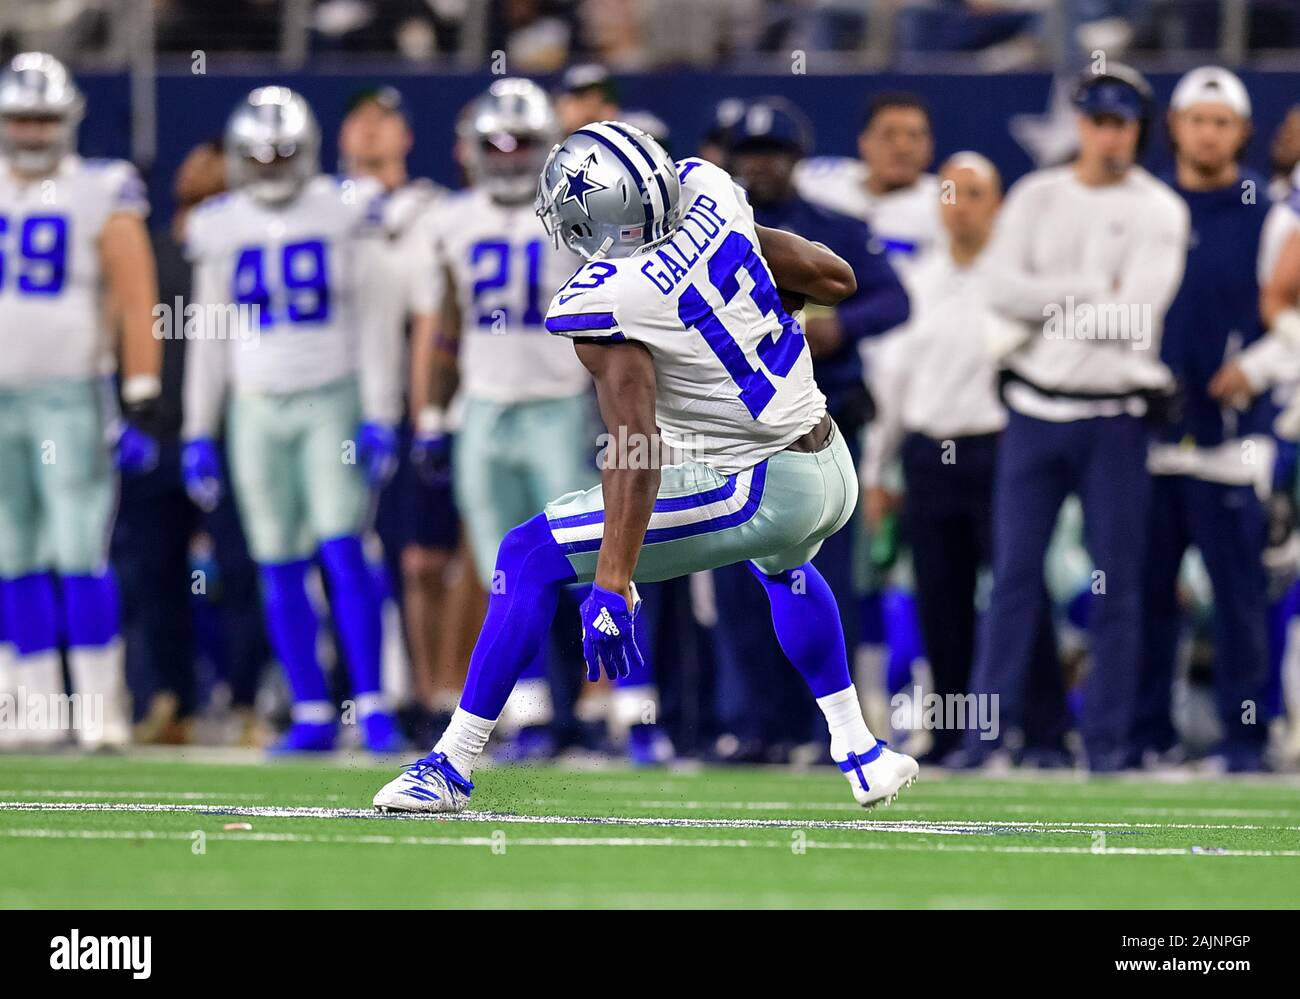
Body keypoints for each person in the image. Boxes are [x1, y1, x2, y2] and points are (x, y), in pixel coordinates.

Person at [373, 120, 919, 812]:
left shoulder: (606, 300)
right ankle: (860, 750)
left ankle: (449, 765)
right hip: (829, 460)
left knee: (528, 552)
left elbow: (635, 446)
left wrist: (611, 581)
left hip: (760, 480)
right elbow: (833, 277)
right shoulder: (711, 191)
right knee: (784, 567)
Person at [966, 65, 1189, 773]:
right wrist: (1089, 291)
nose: (1108, 133)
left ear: (1138, 129)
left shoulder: (1160, 209)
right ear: (1082, 123)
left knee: (1117, 585)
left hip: (1116, 419)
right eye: (1097, 118)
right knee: (1012, 580)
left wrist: (1048, 305)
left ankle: (1107, 743)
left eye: (1122, 121)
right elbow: (997, 287)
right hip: (1035, 410)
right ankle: (987, 738)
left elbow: (1137, 316)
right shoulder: (1036, 196)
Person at [181, 87, 404, 753]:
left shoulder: (343, 209)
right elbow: (209, 335)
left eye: (284, 152)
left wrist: (381, 410)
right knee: (276, 560)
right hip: (254, 406)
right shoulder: (219, 224)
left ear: (306, 151)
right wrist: (198, 426)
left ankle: (372, 704)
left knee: (343, 549)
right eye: (260, 154)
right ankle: (311, 707)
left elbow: (374, 320)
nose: (274, 164)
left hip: (329, 397)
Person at [715, 97, 909, 758]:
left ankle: (822, 724)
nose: (761, 166)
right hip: (731, 429)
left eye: (773, 154)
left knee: (819, 579)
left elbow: (893, 296)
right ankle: (754, 723)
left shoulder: (833, 228)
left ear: (795, 160)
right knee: (737, 584)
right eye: (750, 155)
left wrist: (838, 327)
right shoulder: (708, 232)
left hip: (821, 424)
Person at [864, 152, 1070, 766]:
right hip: (929, 456)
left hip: (1003, 448)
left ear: (998, 204)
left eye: (976, 193)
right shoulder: (918, 282)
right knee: (940, 598)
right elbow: (895, 383)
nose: (962, 205)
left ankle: (1044, 733)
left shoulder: (1019, 282)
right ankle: (955, 733)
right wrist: (879, 469)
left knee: (1019, 590)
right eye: (952, 193)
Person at [0, 52, 163, 749]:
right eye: (21, 118)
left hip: (70, 395)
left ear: (68, 119)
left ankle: (100, 705)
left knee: (79, 550)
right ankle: (33, 707)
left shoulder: (101, 188)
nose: (33, 132)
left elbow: (135, 291)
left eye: (44, 118)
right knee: (12, 554)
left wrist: (141, 385)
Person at [1131, 67, 1272, 772]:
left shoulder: (1270, 212)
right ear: (1176, 127)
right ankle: (1147, 735)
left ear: (1242, 133)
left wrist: (1262, 365)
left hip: (1233, 442)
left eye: (1223, 121)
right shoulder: (1141, 205)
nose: (1209, 132)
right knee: (1145, 597)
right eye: (1198, 118)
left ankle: (1246, 741)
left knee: (1241, 598)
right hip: (1146, 441)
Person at [337, 86, 459, 741]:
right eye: (360, 118)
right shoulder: (320, 211)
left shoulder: (429, 210)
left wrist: (425, 413)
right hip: (325, 402)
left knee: (421, 559)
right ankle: (342, 698)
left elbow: (433, 316)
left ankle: (424, 694)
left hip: (401, 410)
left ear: (407, 135)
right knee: (328, 555)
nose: (371, 131)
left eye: (385, 119)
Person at [795, 92, 942, 275]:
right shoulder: (819, 179)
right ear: (864, 142)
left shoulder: (947, 204)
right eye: (889, 135)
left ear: (930, 146)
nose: (902, 147)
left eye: (914, 136)